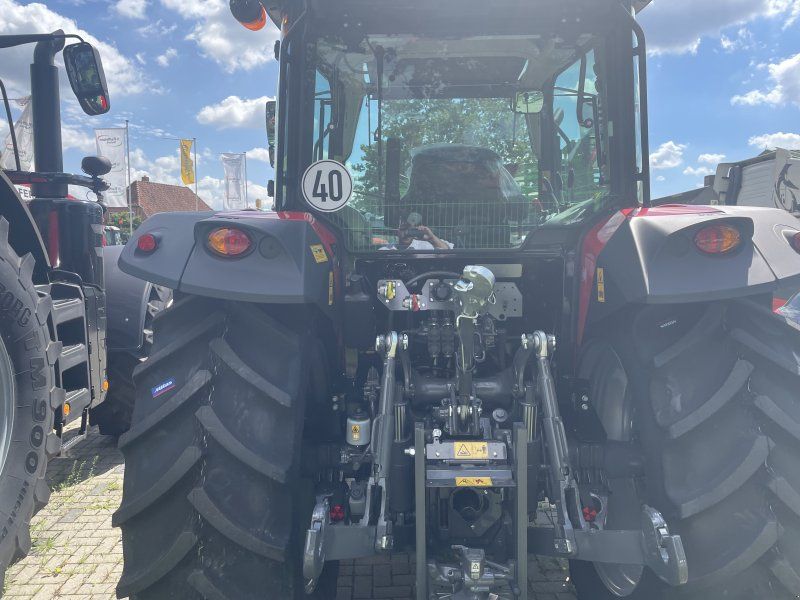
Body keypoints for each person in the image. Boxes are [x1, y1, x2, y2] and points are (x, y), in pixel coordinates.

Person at [381, 222, 453, 250]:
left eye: (411, 230)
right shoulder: (388, 250)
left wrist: (432, 238)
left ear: (416, 231)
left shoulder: (426, 246)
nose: (407, 233)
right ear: (397, 231)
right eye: (404, 229)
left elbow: (448, 253)